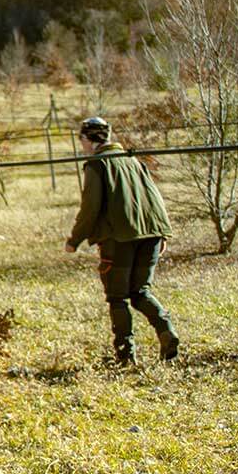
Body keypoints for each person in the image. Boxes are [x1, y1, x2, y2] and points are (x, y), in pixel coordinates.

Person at [63, 117, 179, 365]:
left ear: (88, 139)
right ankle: (166, 329)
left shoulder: (96, 165)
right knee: (140, 291)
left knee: (118, 297)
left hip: (119, 240)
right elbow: (154, 196)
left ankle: (125, 356)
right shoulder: (132, 160)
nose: (81, 144)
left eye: (81, 139)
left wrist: (74, 239)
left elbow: (90, 208)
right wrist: (162, 233)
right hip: (151, 235)